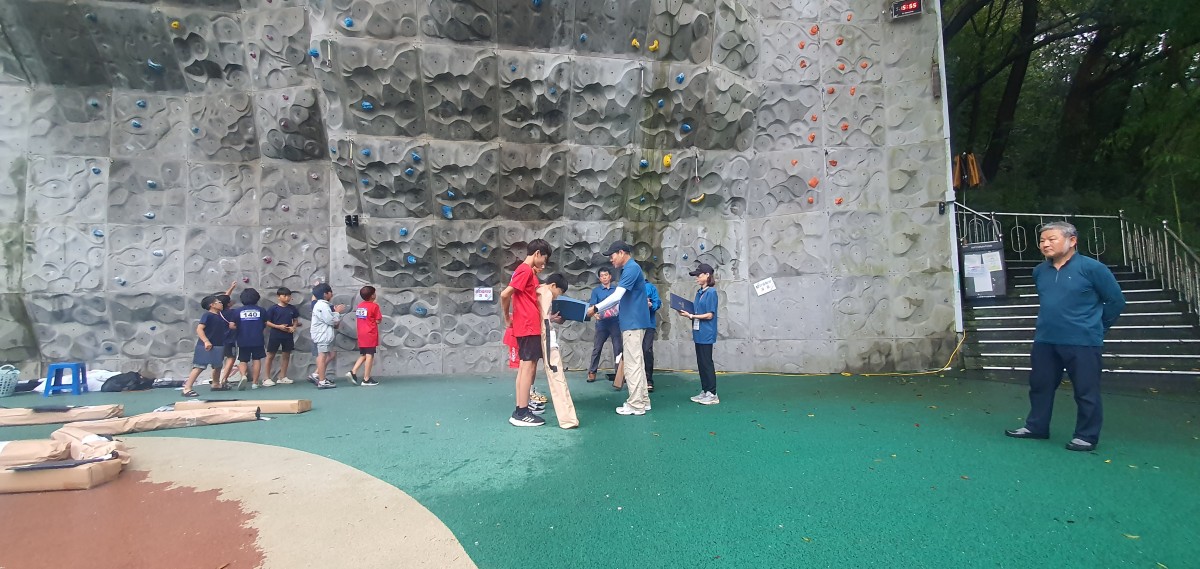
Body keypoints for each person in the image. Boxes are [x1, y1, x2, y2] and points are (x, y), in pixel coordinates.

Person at [1005, 221, 1125, 451]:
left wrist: (1097, 327)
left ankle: (1086, 436)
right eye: (1042, 240)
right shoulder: (1040, 271)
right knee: (1039, 386)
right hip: (1045, 339)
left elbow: (1116, 301)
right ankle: (1036, 427)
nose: (1045, 244)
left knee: (1086, 391)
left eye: (1052, 239)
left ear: (1072, 241)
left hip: (1083, 341)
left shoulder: (1093, 268)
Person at [588, 240, 653, 416]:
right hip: (633, 322)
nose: (611, 259)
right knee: (637, 362)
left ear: (622, 252)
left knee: (632, 364)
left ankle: (636, 404)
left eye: (612, 255)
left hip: (633, 323)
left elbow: (617, 296)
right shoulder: (631, 269)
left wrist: (595, 308)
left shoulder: (631, 269)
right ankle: (643, 401)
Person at [500, 238, 552, 427]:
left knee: (525, 368)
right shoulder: (524, 270)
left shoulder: (526, 271)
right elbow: (505, 294)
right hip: (528, 325)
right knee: (527, 368)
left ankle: (522, 408)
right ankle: (521, 412)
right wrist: (507, 318)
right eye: (544, 258)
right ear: (537, 254)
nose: (544, 263)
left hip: (527, 324)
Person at [678, 264, 720, 405]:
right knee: (701, 363)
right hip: (698, 333)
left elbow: (709, 315)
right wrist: (685, 311)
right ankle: (705, 390)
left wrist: (691, 316)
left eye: (699, 275)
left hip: (706, 332)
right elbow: (696, 311)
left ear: (707, 275)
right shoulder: (699, 292)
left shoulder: (711, 292)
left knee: (707, 363)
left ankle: (712, 393)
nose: (696, 278)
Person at [181, 295, 227, 397]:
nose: (221, 303)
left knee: (218, 366)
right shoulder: (207, 315)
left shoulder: (220, 316)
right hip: (206, 346)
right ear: (212, 305)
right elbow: (199, 329)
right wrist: (206, 341)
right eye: (219, 302)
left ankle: (216, 384)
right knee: (199, 366)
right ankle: (187, 388)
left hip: (218, 345)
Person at [587, 267, 622, 383]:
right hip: (601, 323)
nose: (604, 277)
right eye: (602, 276)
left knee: (618, 349)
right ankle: (592, 372)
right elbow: (592, 306)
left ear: (610, 276)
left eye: (606, 275)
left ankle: (619, 373)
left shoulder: (616, 290)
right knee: (597, 348)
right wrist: (595, 315)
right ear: (599, 278)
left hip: (615, 322)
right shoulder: (596, 291)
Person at [311, 283, 347, 389]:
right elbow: (331, 320)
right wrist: (337, 312)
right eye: (330, 292)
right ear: (325, 294)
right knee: (322, 357)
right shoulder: (322, 306)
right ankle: (321, 381)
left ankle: (319, 377)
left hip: (323, 335)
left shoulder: (322, 305)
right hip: (322, 335)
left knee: (325, 356)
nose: (332, 294)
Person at [264, 287, 301, 387]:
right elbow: (267, 322)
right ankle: (266, 378)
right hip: (275, 334)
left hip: (288, 335)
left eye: (289, 296)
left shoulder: (292, 308)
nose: (287, 298)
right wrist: (278, 327)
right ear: (278, 297)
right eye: (284, 296)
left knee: (286, 355)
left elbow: (295, 320)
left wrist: (293, 327)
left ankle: (282, 377)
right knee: (270, 355)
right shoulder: (273, 308)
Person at [349, 286, 383, 386]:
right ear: (372, 295)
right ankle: (366, 379)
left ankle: (353, 372)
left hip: (361, 333)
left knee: (364, 354)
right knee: (370, 355)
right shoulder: (374, 306)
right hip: (370, 333)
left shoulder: (360, 306)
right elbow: (378, 320)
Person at [235, 288, 268, 390]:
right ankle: (255, 383)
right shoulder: (261, 310)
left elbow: (234, 324)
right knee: (256, 359)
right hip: (257, 338)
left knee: (243, 359)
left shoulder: (238, 311)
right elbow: (265, 323)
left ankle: (243, 376)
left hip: (243, 338)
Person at [644, 280, 662, 392]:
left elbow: (657, 303)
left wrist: (651, 305)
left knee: (647, 350)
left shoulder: (650, 287)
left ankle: (648, 379)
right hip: (633, 325)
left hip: (648, 324)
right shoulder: (628, 286)